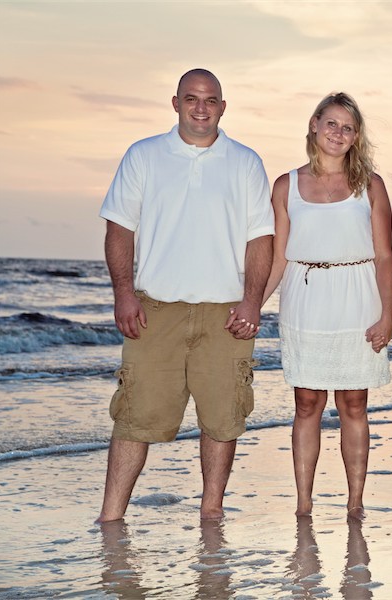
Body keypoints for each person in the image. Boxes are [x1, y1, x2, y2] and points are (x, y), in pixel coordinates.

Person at [96, 68, 274, 522]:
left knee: (223, 418)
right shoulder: (144, 156)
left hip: (225, 311)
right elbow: (120, 229)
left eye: (210, 99)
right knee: (136, 415)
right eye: (191, 98)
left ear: (223, 107)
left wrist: (252, 301)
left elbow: (260, 239)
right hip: (156, 310)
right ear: (175, 103)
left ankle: (211, 512)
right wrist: (123, 294)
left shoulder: (246, 162)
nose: (201, 107)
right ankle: (111, 517)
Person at [261, 92, 392, 520]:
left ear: (356, 137)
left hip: (357, 298)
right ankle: (304, 504)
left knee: (354, 403)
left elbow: (386, 256)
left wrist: (387, 315)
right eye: (332, 123)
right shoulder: (286, 185)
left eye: (348, 127)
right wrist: (252, 305)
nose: (338, 133)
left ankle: (355, 502)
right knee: (307, 403)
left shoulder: (370, 185)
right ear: (315, 125)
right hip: (306, 298)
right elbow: (279, 257)